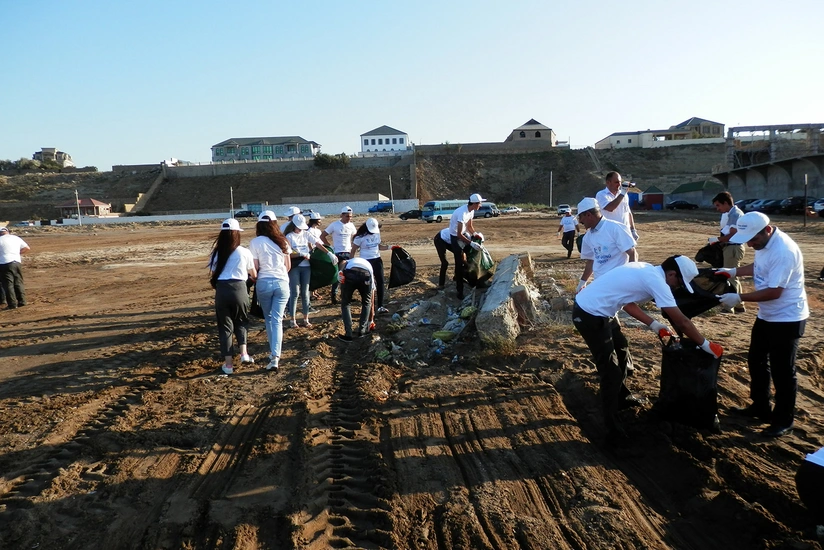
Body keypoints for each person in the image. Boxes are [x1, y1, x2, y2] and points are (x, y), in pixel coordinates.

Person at [573, 255, 723, 443]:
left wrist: (654, 324)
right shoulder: (656, 281)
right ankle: (612, 430)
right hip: (590, 314)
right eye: (679, 282)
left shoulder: (646, 269)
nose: (678, 287)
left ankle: (622, 398)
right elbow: (682, 322)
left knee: (622, 350)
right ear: (671, 274)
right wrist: (706, 345)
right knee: (610, 373)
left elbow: (627, 302)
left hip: (603, 312)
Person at [716, 212, 809, 437]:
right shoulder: (764, 245)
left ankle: (784, 420)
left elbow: (775, 292)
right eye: (747, 239)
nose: (750, 243)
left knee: (783, 371)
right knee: (756, 360)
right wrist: (734, 271)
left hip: (787, 318)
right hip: (767, 316)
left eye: (753, 239)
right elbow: (759, 266)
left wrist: (739, 297)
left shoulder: (784, 251)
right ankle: (760, 407)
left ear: (767, 230)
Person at [208, 218, 257, 375]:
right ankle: (244, 353)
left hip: (222, 290)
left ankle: (228, 365)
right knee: (241, 321)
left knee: (225, 327)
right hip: (240, 288)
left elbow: (214, 273)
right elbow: (254, 274)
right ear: (237, 234)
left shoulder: (216, 253)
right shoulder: (244, 252)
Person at [248, 211, 291, 371]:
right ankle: (275, 355)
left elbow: (255, 268)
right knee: (277, 320)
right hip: (282, 282)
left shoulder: (255, 242)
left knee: (269, 319)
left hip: (264, 283)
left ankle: (274, 355)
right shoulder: (283, 241)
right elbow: (288, 267)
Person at [576, 197, 637, 293]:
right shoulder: (588, 237)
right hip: (600, 283)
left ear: (588, 215)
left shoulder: (615, 228)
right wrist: (582, 282)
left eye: (581, 217)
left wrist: (631, 277)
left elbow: (632, 253)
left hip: (618, 282)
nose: (580, 221)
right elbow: (591, 261)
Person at [284, 214, 324, 328]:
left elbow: (318, 243)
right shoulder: (289, 236)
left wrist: (329, 253)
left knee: (305, 292)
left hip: (306, 266)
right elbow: (287, 254)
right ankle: (293, 319)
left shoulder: (306, 234)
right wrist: (301, 254)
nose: (301, 229)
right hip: (295, 266)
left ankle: (306, 319)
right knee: (295, 293)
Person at [711, 191, 746, 313]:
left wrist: (716, 240)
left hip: (733, 248)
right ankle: (738, 305)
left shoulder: (735, 214)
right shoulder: (731, 214)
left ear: (725, 203)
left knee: (730, 276)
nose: (718, 209)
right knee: (732, 276)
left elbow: (731, 235)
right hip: (731, 248)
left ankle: (730, 305)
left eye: (718, 205)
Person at [449, 193, 486, 299]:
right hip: (455, 238)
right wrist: (471, 243)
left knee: (473, 257)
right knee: (459, 263)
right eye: (479, 203)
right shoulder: (462, 213)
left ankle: (476, 281)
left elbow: (469, 226)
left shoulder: (471, 211)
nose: (480, 205)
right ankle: (459, 291)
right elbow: (458, 234)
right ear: (474, 203)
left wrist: (475, 235)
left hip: (464, 234)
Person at [352, 217, 390, 314]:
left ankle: (380, 305)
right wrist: (351, 263)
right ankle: (369, 305)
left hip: (377, 260)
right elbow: (353, 251)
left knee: (380, 282)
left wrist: (390, 247)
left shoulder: (377, 233)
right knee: (368, 283)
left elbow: (379, 246)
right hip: (365, 262)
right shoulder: (359, 237)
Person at [321, 206, 356, 304]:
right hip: (337, 253)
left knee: (348, 274)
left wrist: (354, 246)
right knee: (338, 274)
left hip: (348, 252)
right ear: (342, 215)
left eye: (350, 216)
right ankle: (334, 295)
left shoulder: (351, 226)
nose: (349, 218)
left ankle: (346, 295)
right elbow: (323, 235)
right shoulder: (334, 225)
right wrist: (330, 247)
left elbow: (355, 236)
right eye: (347, 216)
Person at [337, 257, 376, 342]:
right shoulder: (369, 266)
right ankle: (362, 331)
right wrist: (371, 320)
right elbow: (371, 297)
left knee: (346, 303)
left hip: (350, 273)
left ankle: (348, 335)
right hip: (366, 275)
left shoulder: (348, 261)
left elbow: (343, 262)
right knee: (366, 303)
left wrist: (340, 271)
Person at [596, 171, 638, 241]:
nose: (619, 184)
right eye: (616, 182)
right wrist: (622, 194)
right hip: (610, 234)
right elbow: (610, 208)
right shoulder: (601, 195)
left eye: (620, 182)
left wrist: (633, 230)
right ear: (608, 182)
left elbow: (628, 212)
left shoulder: (624, 195)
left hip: (625, 232)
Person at [0, 226, 31, 309]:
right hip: (17, 262)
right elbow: (27, 248)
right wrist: (17, 253)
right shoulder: (16, 238)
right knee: (18, 282)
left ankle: (12, 304)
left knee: (8, 284)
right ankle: (22, 301)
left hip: (4, 263)